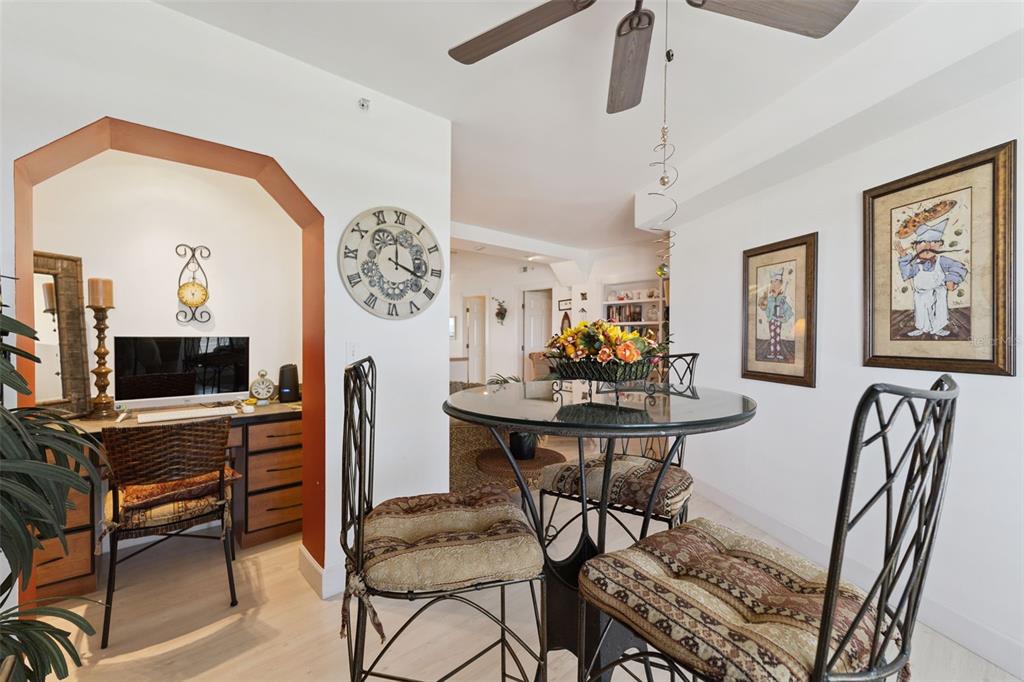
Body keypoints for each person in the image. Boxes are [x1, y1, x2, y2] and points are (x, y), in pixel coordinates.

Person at [895, 218, 967, 337]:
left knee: (940, 312)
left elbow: (959, 267)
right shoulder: (915, 263)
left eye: (933, 242)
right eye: (922, 242)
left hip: (938, 293)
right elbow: (907, 274)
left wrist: (952, 279)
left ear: (939, 244)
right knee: (921, 313)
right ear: (915, 246)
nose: (927, 246)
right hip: (921, 294)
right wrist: (903, 257)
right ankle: (922, 328)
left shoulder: (942, 261)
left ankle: (938, 328)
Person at [758, 269, 793, 360]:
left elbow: (784, 306)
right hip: (772, 319)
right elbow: (767, 307)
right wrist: (771, 300)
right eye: (773, 282)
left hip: (778, 319)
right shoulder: (770, 297)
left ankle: (777, 353)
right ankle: (773, 353)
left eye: (777, 282)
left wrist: (781, 302)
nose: (775, 284)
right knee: (772, 336)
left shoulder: (782, 296)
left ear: (780, 283)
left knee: (777, 336)